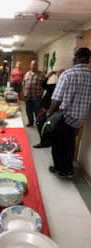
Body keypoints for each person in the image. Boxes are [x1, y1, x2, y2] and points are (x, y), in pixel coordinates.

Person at [48, 47, 91, 179]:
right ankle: (69, 170)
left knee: (58, 143)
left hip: (64, 117)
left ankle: (60, 169)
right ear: (88, 60)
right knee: (71, 143)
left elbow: (57, 98)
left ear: (75, 58)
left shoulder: (68, 74)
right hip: (79, 118)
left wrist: (49, 113)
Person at [33, 69, 65, 148]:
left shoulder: (64, 87)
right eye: (59, 73)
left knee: (46, 125)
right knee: (40, 124)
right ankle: (44, 141)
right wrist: (48, 76)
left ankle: (45, 142)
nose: (59, 75)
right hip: (45, 107)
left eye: (61, 74)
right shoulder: (54, 85)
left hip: (53, 110)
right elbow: (43, 85)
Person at [23, 60, 45, 127]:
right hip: (28, 96)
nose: (33, 66)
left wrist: (41, 93)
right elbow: (23, 83)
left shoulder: (41, 74)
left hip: (37, 97)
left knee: (37, 111)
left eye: (35, 65)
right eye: (32, 65)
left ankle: (38, 123)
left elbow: (44, 85)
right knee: (28, 111)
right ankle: (30, 122)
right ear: (30, 65)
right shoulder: (27, 73)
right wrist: (24, 93)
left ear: (37, 66)